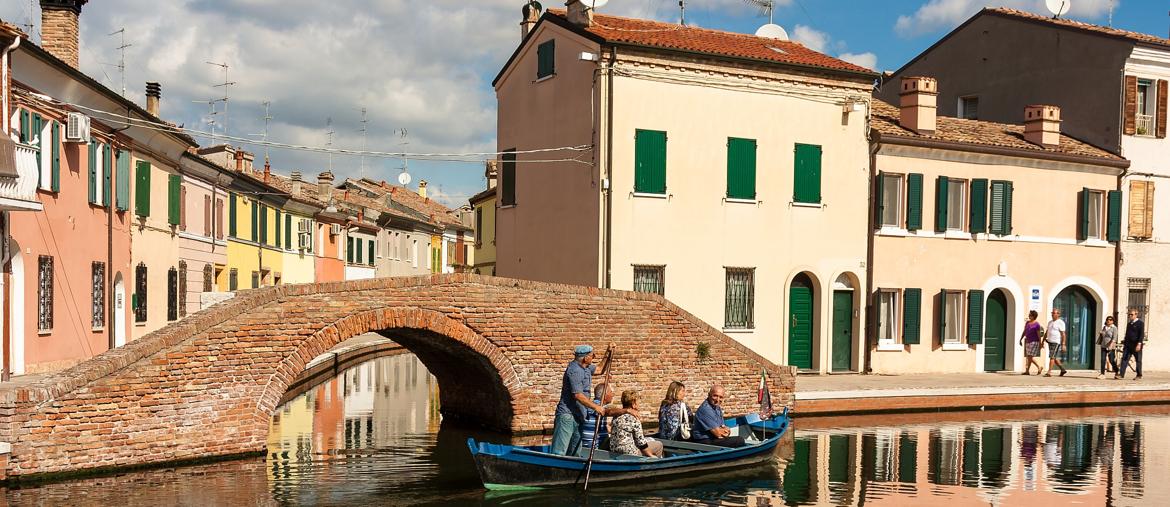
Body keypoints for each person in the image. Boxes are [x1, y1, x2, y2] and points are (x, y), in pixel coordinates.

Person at [550, 345, 631, 456]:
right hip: (567, 416)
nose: (594, 357)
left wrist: (607, 354)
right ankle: (556, 471)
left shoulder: (586, 367)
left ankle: (572, 470)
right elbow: (578, 395)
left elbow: (600, 369)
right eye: (592, 355)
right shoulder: (575, 371)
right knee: (559, 452)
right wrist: (596, 407)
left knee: (575, 451)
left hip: (579, 415)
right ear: (585, 358)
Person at [608, 390, 663, 458]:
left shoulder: (616, 416)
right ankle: (654, 465)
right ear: (633, 404)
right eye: (638, 402)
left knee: (649, 440)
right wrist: (651, 455)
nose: (639, 404)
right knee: (659, 444)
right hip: (630, 453)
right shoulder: (634, 418)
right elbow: (641, 443)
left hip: (614, 451)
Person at [579, 383, 613, 453]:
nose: (613, 395)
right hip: (593, 445)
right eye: (611, 392)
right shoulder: (599, 407)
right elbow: (611, 411)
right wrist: (626, 410)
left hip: (586, 442)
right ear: (605, 395)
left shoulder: (590, 405)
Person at [1118, 309, 1144, 380]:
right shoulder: (1129, 324)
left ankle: (1139, 375)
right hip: (1128, 345)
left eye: (1132, 314)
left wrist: (1139, 344)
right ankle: (1121, 375)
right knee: (1124, 359)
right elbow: (1127, 334)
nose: (1130, 316)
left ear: (1136, 314)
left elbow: (1141, 335)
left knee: (1138, 360)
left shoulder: (1140, 323)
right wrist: (1125, 343)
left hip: (1136, 345)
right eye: (1129, 314)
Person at [1044, 309, 1067, 377]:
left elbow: (1063, 334)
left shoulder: (1060, 322)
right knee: (1054, 357)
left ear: (1058, 314)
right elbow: (1047, 331)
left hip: (1056, 342)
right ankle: (1062, 369)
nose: (1052, 314)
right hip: (1049, 341)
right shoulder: (1050, 322)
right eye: (1052, 313)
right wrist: (1043, 341)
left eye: (1054, 313)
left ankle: (1049, 372)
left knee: (1052, 357)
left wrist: (1063, 344)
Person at [1020, 310, 1044, 375]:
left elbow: (1038, 334)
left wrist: (1040, 343)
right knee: (1029, 356)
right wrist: (1021, 339)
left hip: (1034, 341)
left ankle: (1031, 369)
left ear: (1033, 316)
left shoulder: (1037, 324)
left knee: (1029, 356)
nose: (1029, 316)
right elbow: (1025, 331)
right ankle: (1035, 368)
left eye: (1030, 315)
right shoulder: (1027, 323)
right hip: (1028, 341)